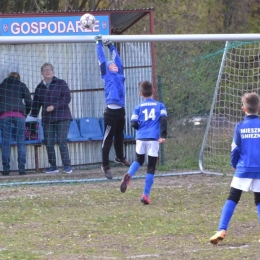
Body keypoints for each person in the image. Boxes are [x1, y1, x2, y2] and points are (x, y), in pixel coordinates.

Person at [209, 92, 260, 245]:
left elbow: (235, 148)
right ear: (259, 107)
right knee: (259, 200)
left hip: (243, 168)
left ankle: (222, 230)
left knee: (233, 198)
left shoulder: (240, 126)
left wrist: (234, 163)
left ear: (243, 108)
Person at [120, 81, 168, 205]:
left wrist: (141, 129)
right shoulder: (160, 106)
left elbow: (133, 123)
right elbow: (163, 119)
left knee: (139, 160)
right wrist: (163, 135)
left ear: (140, 93)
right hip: (153, 138)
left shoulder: (138, 107)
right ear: (153, 91)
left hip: (141, 137)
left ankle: (129, 174)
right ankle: (145, 195)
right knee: (151, 167)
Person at [95, 34, 131, 179]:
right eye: (112, 65)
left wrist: (111, 46)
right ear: (107, 69)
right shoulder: (106, 75)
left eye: (115, 65)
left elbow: (118, 60)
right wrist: (99, 44)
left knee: (120, 135)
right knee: (108, 138)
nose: (114, 66)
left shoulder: (120, 75)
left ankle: (120, 156)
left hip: (121, 111)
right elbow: (102, 60)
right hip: (110, 111)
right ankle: (105, 165)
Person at [31, 63, 73, 174]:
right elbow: (35, 105)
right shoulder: (39, 88)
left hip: (62, 117)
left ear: (53, 72)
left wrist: (54, 106)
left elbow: (67, 98)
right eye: (45, 70)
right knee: (48, 142)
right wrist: (30, 118)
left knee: (61, 140)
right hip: (47, 119)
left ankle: (67, 166)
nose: (47, 71)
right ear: (42, 73)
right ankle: (53, 166)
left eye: (49, 69)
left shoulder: (61, 83)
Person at [0, 72, 32, 175]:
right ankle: (22, 169)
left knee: (6, 142)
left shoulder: (1, 86)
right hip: (19, 115)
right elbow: (29, 102)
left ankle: (6, 170)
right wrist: (25, 113)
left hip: (4, 115)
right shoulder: (21, 85)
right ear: (18, 78)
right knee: (21, 142)